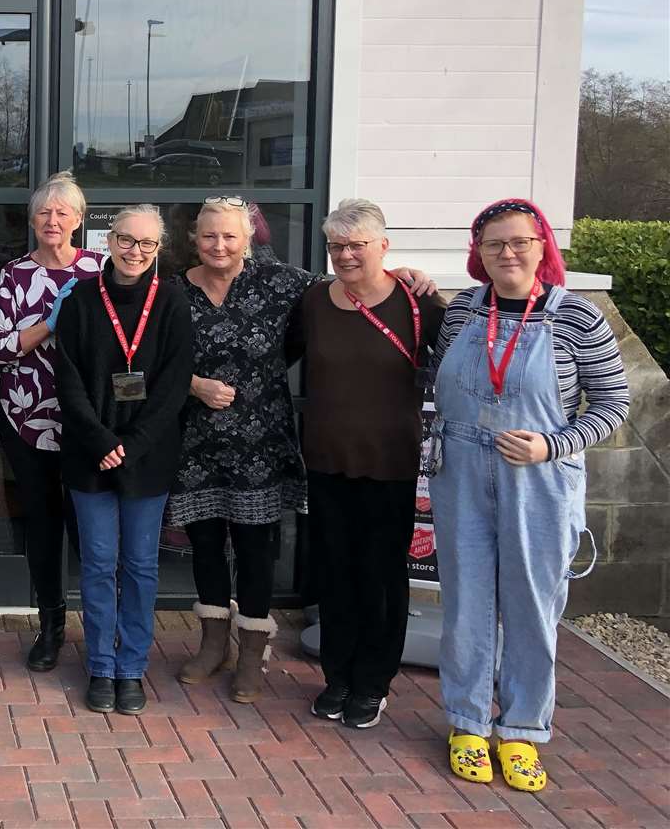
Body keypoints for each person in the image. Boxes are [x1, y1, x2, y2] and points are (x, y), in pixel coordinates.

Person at [169, 196, 435, 703]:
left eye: (229, 235)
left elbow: (356, 284)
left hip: (262, 443)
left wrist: (400, 273)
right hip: (195, 442)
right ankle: (211, 644)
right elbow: (153, 355)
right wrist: (193, 384)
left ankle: (251, 650)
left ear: (249, 240)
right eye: (208, 236)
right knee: (203, 545)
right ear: (194, 240)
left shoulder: (286, 285)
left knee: (255, 549)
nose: (219, 245)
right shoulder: (174, 291)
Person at [433, 198, 628, 792]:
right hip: (462, 469)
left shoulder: (578, 318)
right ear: (479, 254)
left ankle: (522, 730)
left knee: (533, 607)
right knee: (466, 603)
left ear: (543, 247)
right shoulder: (462, 309)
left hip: (538, 476)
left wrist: (554, 445)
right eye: (494, 244)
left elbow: (615, 404)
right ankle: (467, 721)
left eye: (519, 241)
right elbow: (435, 378)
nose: (508, 253)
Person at [290, 199, 445, 729]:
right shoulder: (313, 301)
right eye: (337, 246)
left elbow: (456, 366)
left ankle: (373, 683)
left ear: (384, 246)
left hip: (391, 464)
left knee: (380, 576)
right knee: (333, 573)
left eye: (357, 245)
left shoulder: (419, 303)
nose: (346, 255)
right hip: (328, 461)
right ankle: (337, 677)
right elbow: (279, 356)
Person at [55, 205, 193, 714]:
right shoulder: (80, 300)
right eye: (126, 240)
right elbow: (66, 378)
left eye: (147, 244)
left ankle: (132, 666)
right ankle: (101, 665)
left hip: (147, 456)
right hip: (90, 454)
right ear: (108, 240)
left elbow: (175, 385)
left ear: (160, 249)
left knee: (139, 566)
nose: (135, 252)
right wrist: (99, 441)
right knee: (96, 565)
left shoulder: (173, 303)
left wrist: (131, 445)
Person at [0, 171, 99, 671]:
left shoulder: (103, 268)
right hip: (27, 417)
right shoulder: (14, 274)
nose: (52, 221)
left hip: (89, 422)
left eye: (63, 213)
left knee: (90, 526)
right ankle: (50, 625)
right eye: (43, 213)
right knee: (42, 524)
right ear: (32, 220)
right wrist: (51, 323)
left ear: (79, 219)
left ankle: (99, 626)